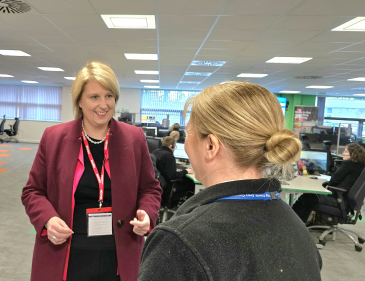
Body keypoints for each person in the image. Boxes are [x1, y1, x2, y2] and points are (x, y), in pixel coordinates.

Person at [138, 82, 322, 280]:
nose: (185, 142)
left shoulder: (179, 241)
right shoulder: (297, 228)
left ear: (210, 145)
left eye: (188, 132)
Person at [21, 62, 162, 281]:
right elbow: (33, 191)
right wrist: (48, 219)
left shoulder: (134, 138)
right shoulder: (54, 137)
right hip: (66, 251)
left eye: (109, 96)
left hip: (118, 253)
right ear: (79, 100)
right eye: (94, 97)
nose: (103, 104)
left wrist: (147, 213)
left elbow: (150, 188)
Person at [293, 143, 365, 223]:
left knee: (306, 197)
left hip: (339, 202)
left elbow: (335, 179)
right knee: (309, 197)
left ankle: (292, 224)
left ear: (353, 154)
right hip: (346, 203)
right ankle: (301, 225)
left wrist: (329, 186)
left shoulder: (348, 164)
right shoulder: (360, 166)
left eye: (345, 151)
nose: (343, 153)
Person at [153, 136, 195, 205]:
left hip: (158, 184)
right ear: (170, 146)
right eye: (174, 147)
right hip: (168, 187)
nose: (174, 149)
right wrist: (186, 171)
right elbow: (172, 176)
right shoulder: (169, 155)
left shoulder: (156, 152)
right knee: (190, 183)